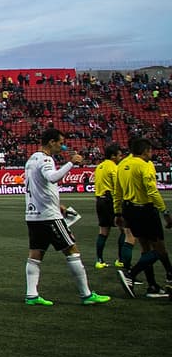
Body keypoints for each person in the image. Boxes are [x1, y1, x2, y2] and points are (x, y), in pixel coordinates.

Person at [23, 128, 110, 307]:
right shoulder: (46, 159)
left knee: (35, 255)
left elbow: (38, 186)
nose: (61, 146)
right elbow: (52, 177)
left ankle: (31, 295)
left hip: (33, 215)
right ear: (51, 142)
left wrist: (58, 205)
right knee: (72, 250)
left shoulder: (32, 159)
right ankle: (86, 295)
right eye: (60, 142)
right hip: (49, 217)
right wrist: (71, 163)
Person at [115, 137, 172, 299]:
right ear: (145, 151)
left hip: (129, 210)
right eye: (150, 150)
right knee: (158, 248)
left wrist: (118, 212)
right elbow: (152, 191)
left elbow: (117, 191)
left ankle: (152, 286)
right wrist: (165, 212)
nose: (151, 154)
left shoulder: (122, 164)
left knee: (145, 248)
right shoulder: (145, 165)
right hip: (145, 209)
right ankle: (131, 274)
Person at [92, 143, 121, 269]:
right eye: (119, 155)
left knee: (103, 231)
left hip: (100, 200)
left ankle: (99, 260)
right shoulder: (113, 167)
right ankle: (121, 259)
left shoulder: (99, 167)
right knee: (125, 230)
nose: (121, 157)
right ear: (113, 156)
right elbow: (117, 186)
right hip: (110, 200)